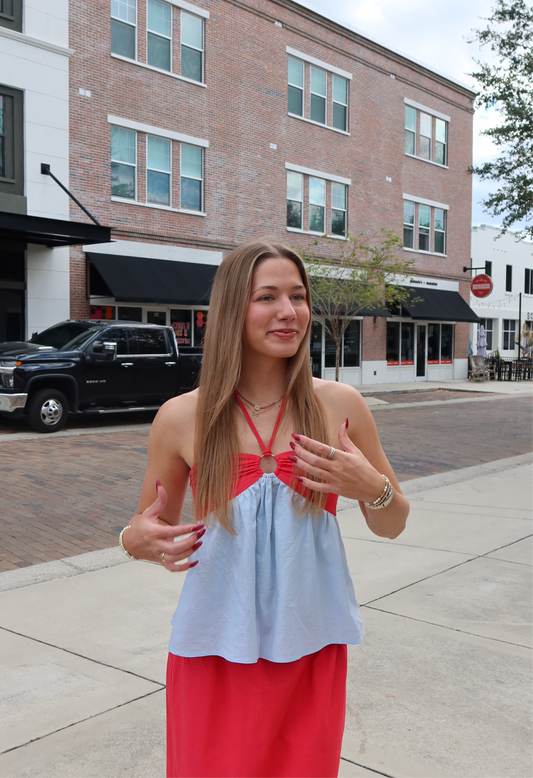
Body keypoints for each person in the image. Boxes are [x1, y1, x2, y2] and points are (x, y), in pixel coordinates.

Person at [119, 239, 409, 778]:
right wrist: (134, 540)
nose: (288, 312)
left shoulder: (339, 405)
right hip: (214, 646)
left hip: (310, 644)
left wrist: (373, 489)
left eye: (298, 296)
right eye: (267, 296)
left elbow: (393, 523)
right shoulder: (182, 416)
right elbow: (146, 531)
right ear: (233, 308)